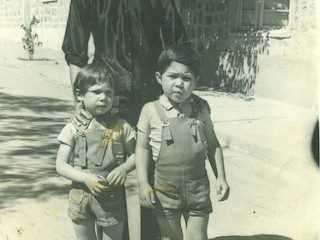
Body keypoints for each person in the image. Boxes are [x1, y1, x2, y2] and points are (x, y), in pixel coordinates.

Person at [135, 44, 230, 240]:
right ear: (159, 78)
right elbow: (142, 149)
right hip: (164, 190)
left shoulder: (201, 108)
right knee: (171, 238)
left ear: (196, 81)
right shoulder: (150, 110)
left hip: (197, 187)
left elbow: (213, 145)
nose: (179, 83)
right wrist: (143, 182)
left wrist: (221, 177)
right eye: (173, 76)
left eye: (187, 78)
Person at [62, 0, 187, 126]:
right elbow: (75, 53)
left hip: (152, 93)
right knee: (109, 144)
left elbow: (178, 45)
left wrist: (184, 97)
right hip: (107, 95)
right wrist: (79, 104)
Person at [56, 61, 136, 240]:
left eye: (109, 92)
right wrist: (86, 178)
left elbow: (136, 155)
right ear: (80, 95)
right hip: (80, 195)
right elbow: (60, 166)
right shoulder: (73, 127)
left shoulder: (122, 126)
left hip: (112, 196)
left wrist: (123, 169)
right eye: (97, 91)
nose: (103, 97)